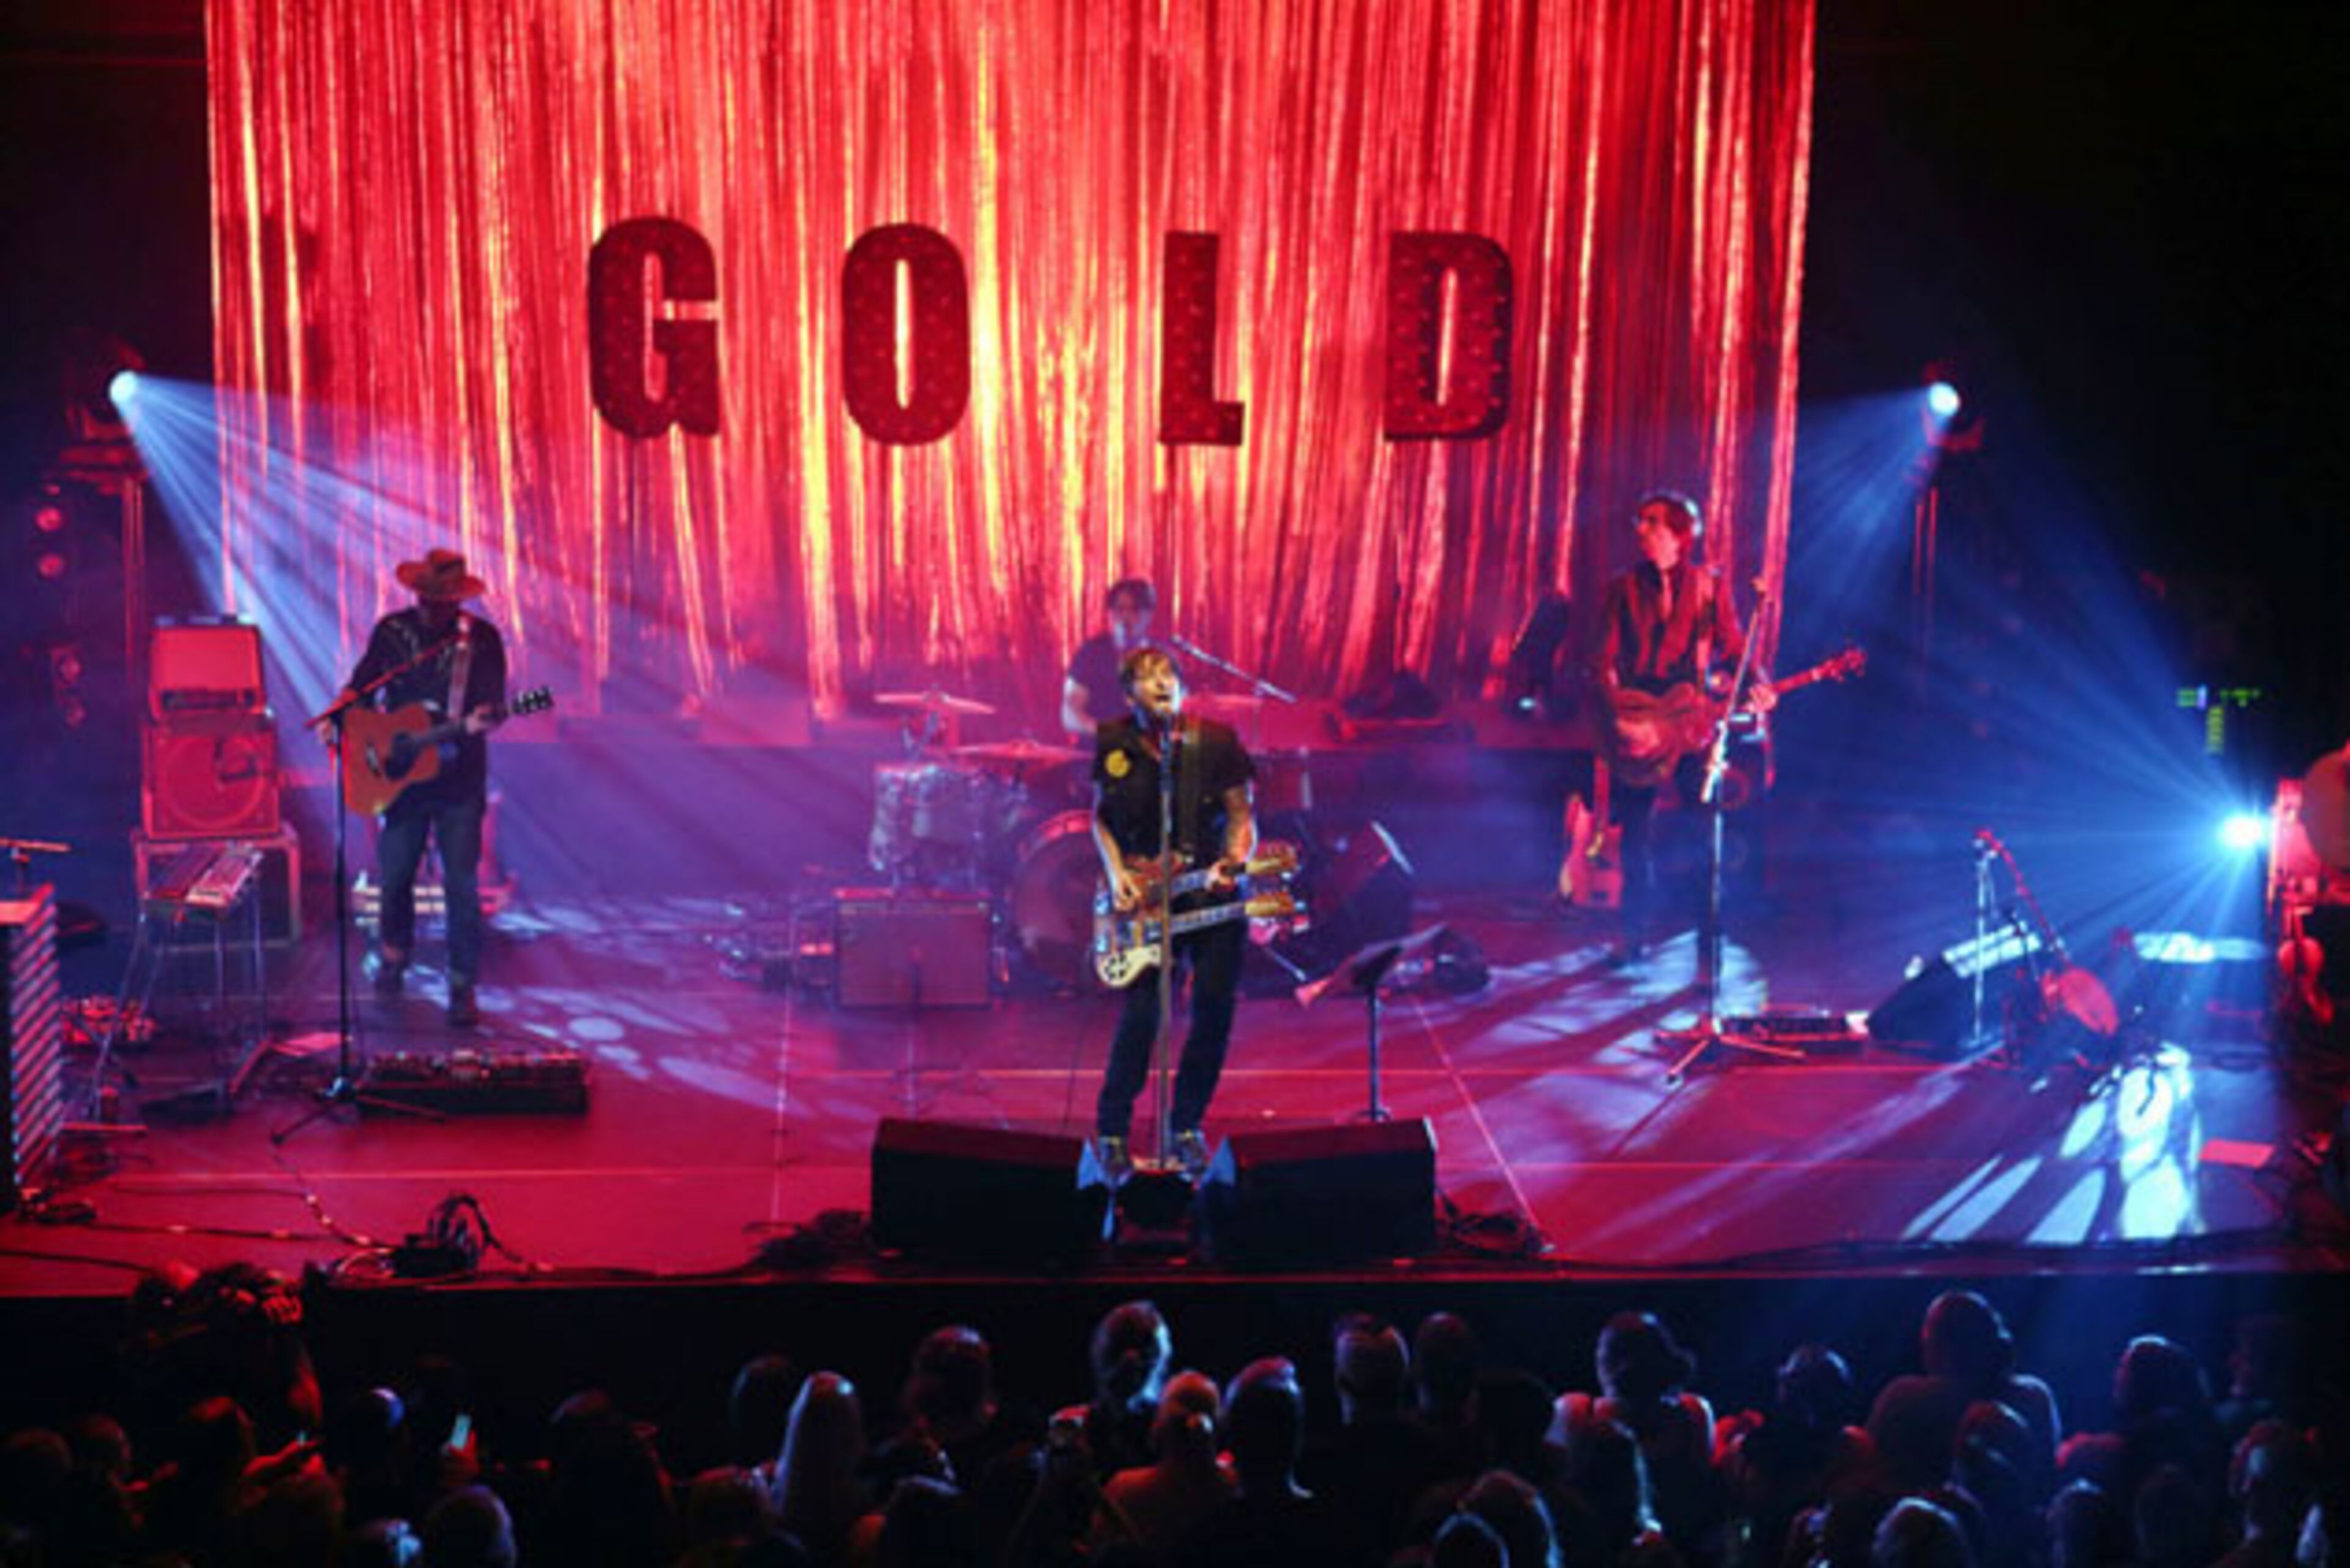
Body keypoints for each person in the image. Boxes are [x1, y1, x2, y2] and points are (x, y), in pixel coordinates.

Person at [1090, 646, 1255, 1179]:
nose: (1161, 684)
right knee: (1144, 1016)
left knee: (1213, 1011)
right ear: (1128, 692)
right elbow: (1099, 820)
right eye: (1147, 677)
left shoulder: (1217, 743)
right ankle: (1113, 1130)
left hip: (1208, 889)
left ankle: (1186, 1126)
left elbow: (1240, 814)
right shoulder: (1113, 743)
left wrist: (1236, 859)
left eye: (1168, 675)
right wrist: (1118, 877)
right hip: (1144, 896)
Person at [1592, 491, 1770, 965]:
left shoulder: (1710, 588)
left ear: (1679, 535)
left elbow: (1735, 648)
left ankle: (1706, 945)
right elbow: (1604, 662)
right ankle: (1632, 940)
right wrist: (1622, 721)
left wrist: (1758, 683)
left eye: (1652, 523)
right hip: (1637, 725)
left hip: (1691, 726)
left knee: (1703, 835)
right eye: (1641, 522)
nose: (1641, 530)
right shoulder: (1621, 588)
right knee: (1634, 838)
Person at [341, 549, 509, 1027]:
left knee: (460, 884)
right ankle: (393, 960)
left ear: (458, 599)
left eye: (445, 601)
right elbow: (362, 686)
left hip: (459, 780)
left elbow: (491, 707)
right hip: (402, 783)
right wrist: (350, 722)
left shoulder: (482, 640)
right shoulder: (393, 634)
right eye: (429, 599)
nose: (435, 608)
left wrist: (483, 720)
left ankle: (462, 985)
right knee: (395, 877)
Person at [1062, 578, 1158, 739]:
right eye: (1119, 609)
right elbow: (1070, 717)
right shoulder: (1092, 654)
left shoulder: (1160, 656)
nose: (1125, 616)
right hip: (1099, 751)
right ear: (1110, 613)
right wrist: (1110, 732)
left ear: (1149, 615)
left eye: (1135, 610)